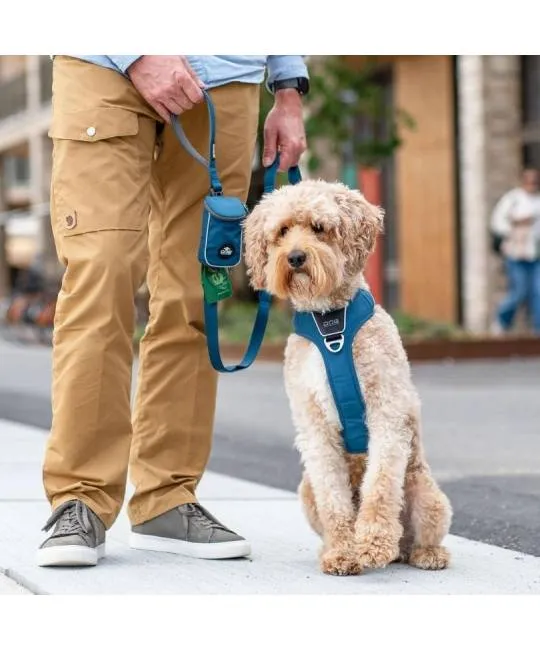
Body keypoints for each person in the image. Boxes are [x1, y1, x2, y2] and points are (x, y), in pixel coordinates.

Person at [37, 55, 309, 567]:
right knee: (103, 270)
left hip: (228, 77)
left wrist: (289, 87)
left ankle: (167, 497)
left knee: (194, 291)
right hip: (104, 65)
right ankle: (80, 497)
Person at [491, 168, 540, 336]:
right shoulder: (513, 199)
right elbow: (498, 223)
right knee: (519, 292)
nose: (532, 184)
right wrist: (518, 223)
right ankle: (502, 321)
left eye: (535, 180)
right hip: (516, 254)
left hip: (535, 254)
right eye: (529, 180)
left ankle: (537, 329)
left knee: (538, 292)